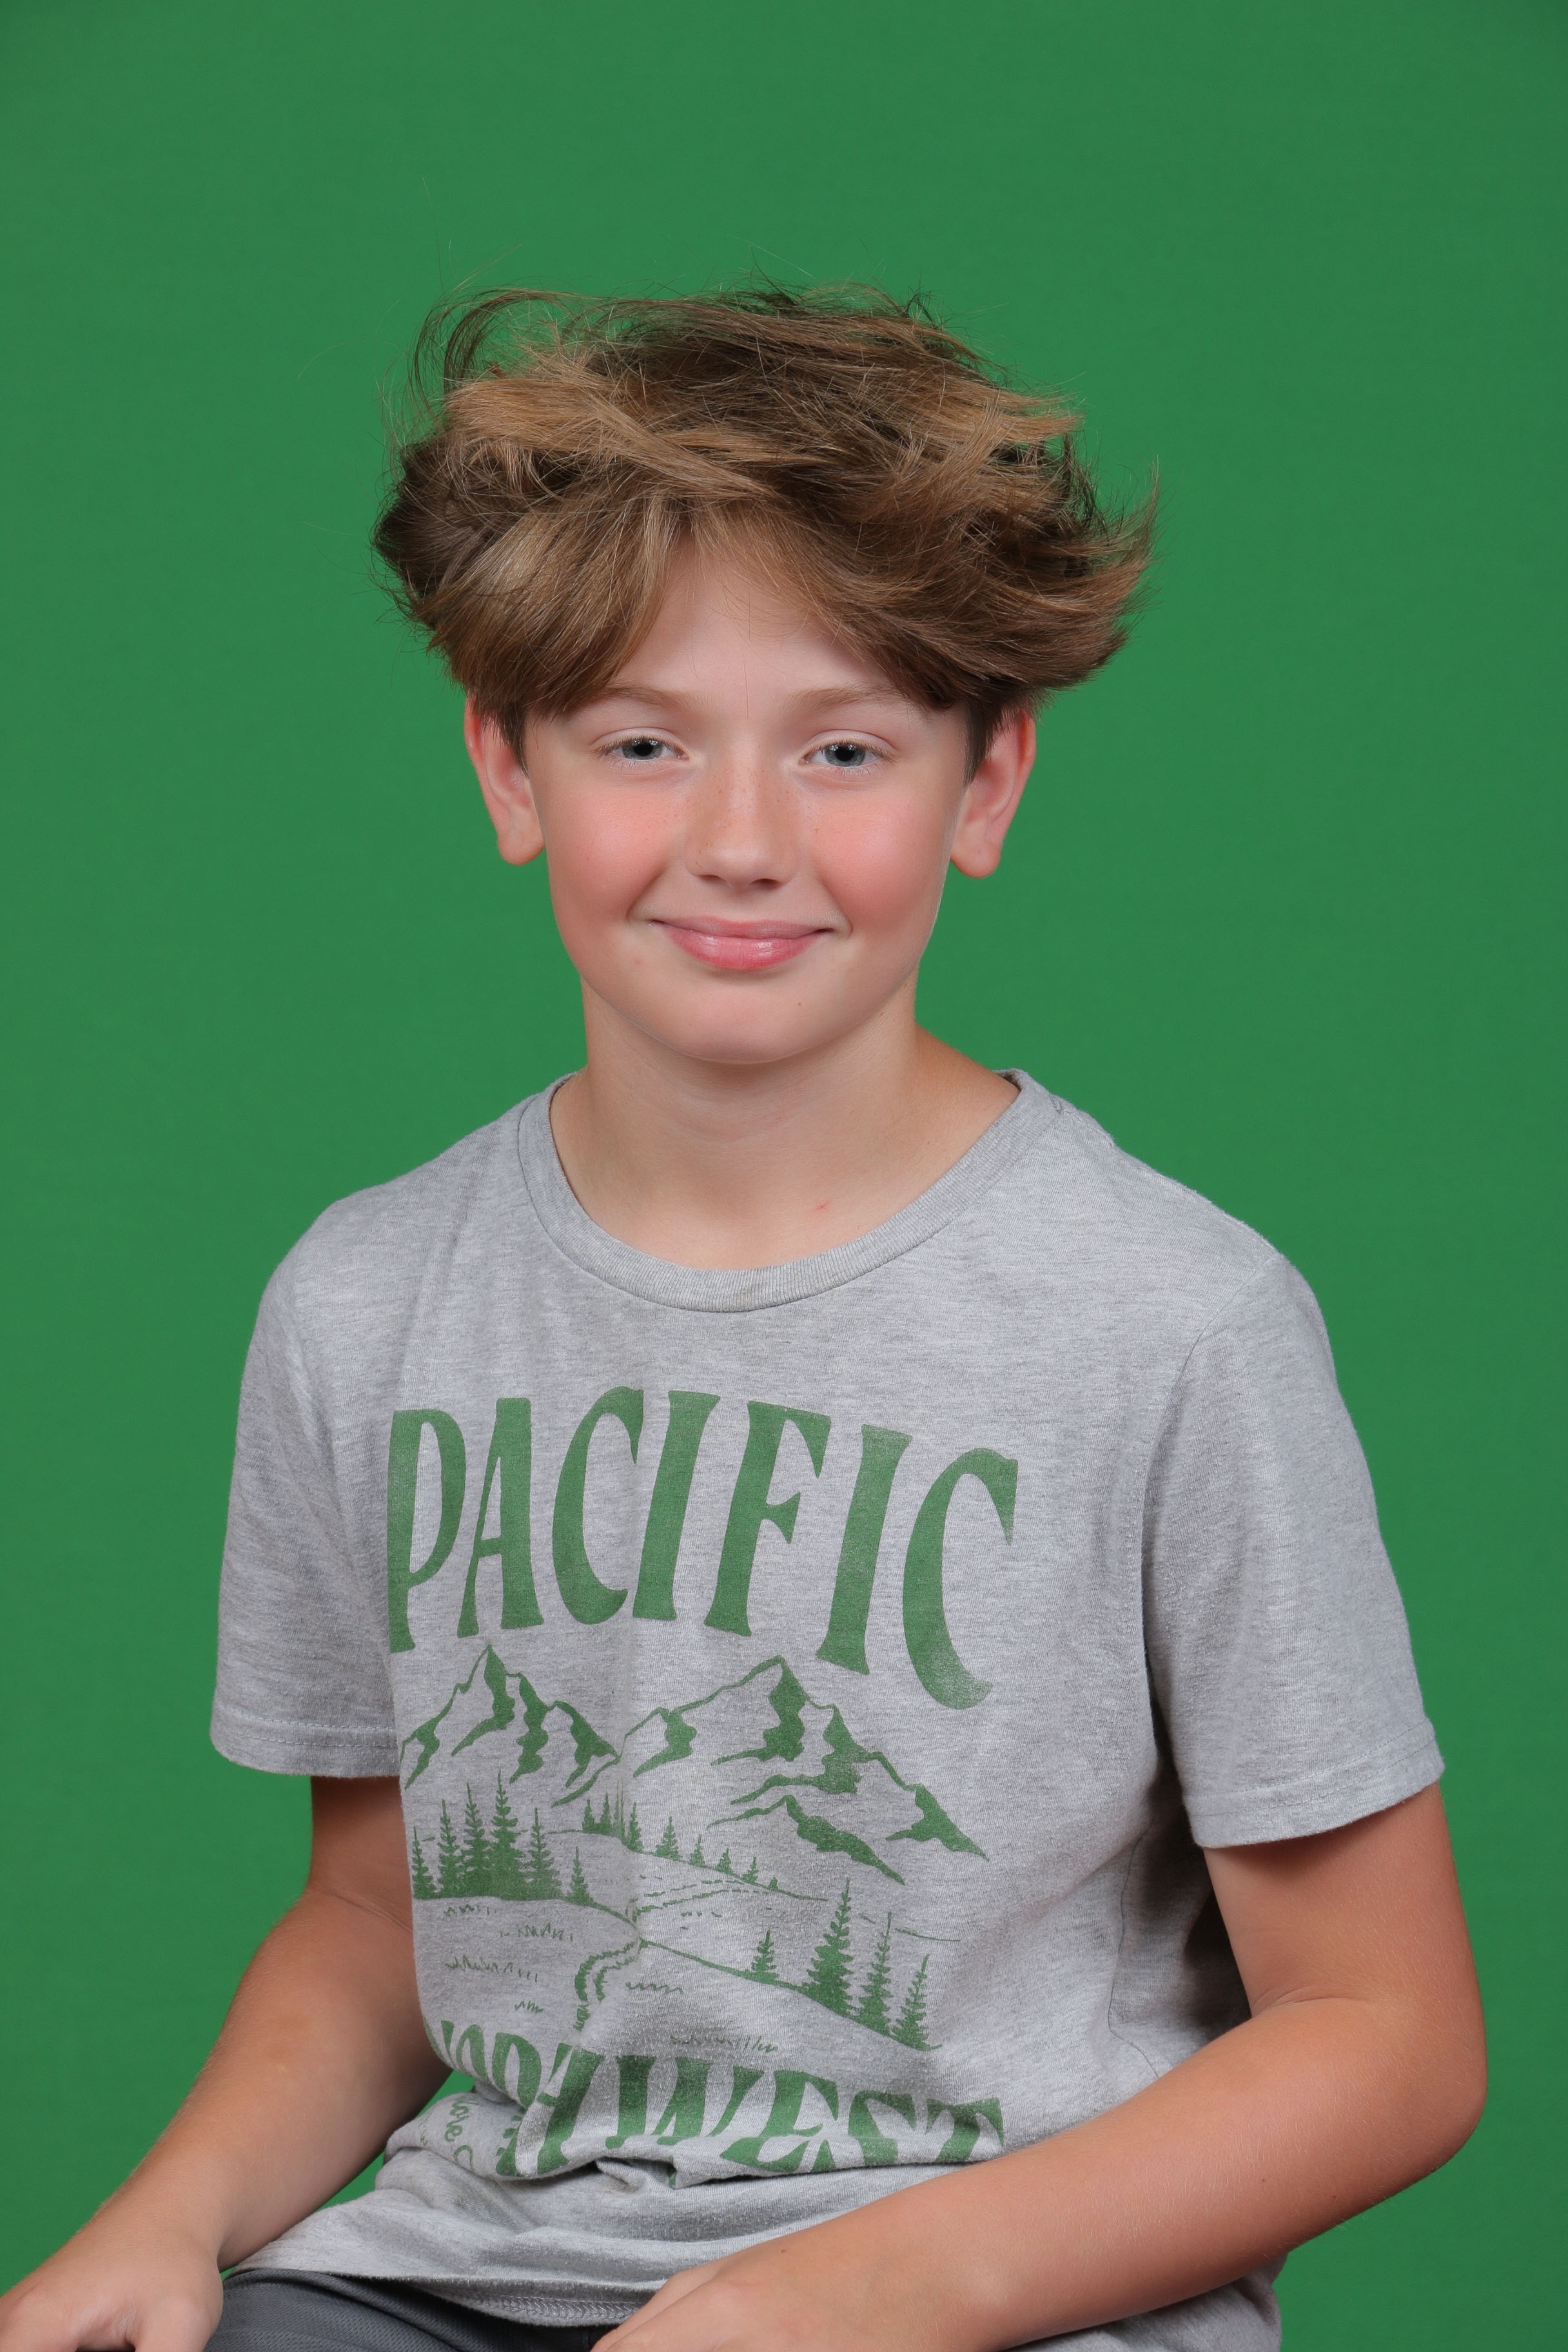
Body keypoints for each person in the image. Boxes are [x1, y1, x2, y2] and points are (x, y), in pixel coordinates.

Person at [0, 288, 1484, 2352]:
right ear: (509, 767)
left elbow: (1387, 2034)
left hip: (1009, 2296)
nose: (741, 842)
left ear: (988, 783)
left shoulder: (1174, 1322)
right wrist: (165, 2222)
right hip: (472, 2273)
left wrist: (854, 2295)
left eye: (845, 748)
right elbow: (382, 1916)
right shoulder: (367, 1300)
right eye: (643, 741)